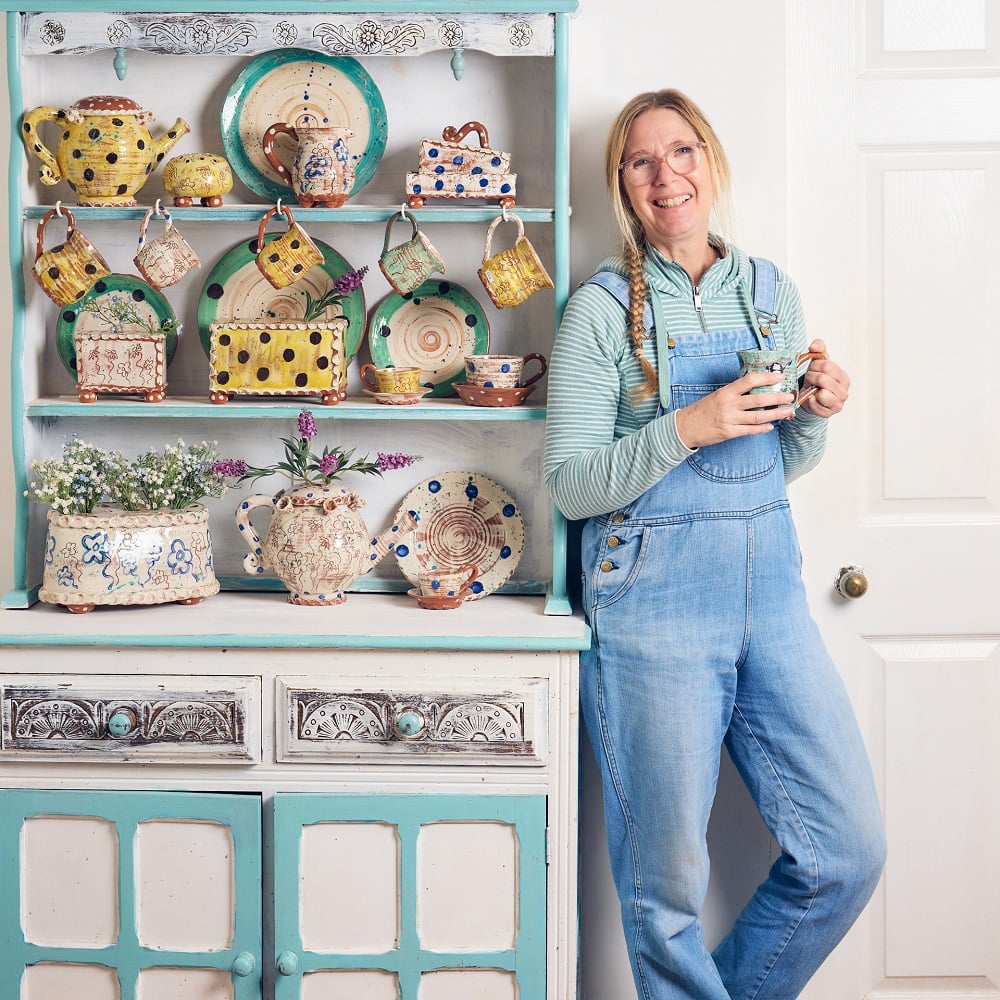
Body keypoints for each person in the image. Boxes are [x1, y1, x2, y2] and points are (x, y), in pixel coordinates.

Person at [543, 89, 886, 999]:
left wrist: (815, 412)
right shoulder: (601, 310)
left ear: (712, 161)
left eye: (683, 151)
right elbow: (573, 484)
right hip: (648, 606)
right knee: (664, 895)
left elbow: (783, 462)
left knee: (846, 853)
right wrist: (687, 426)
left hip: (769, 596)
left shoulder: (771, 291)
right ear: (621, 183)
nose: (668, 175)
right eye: (642, 161)